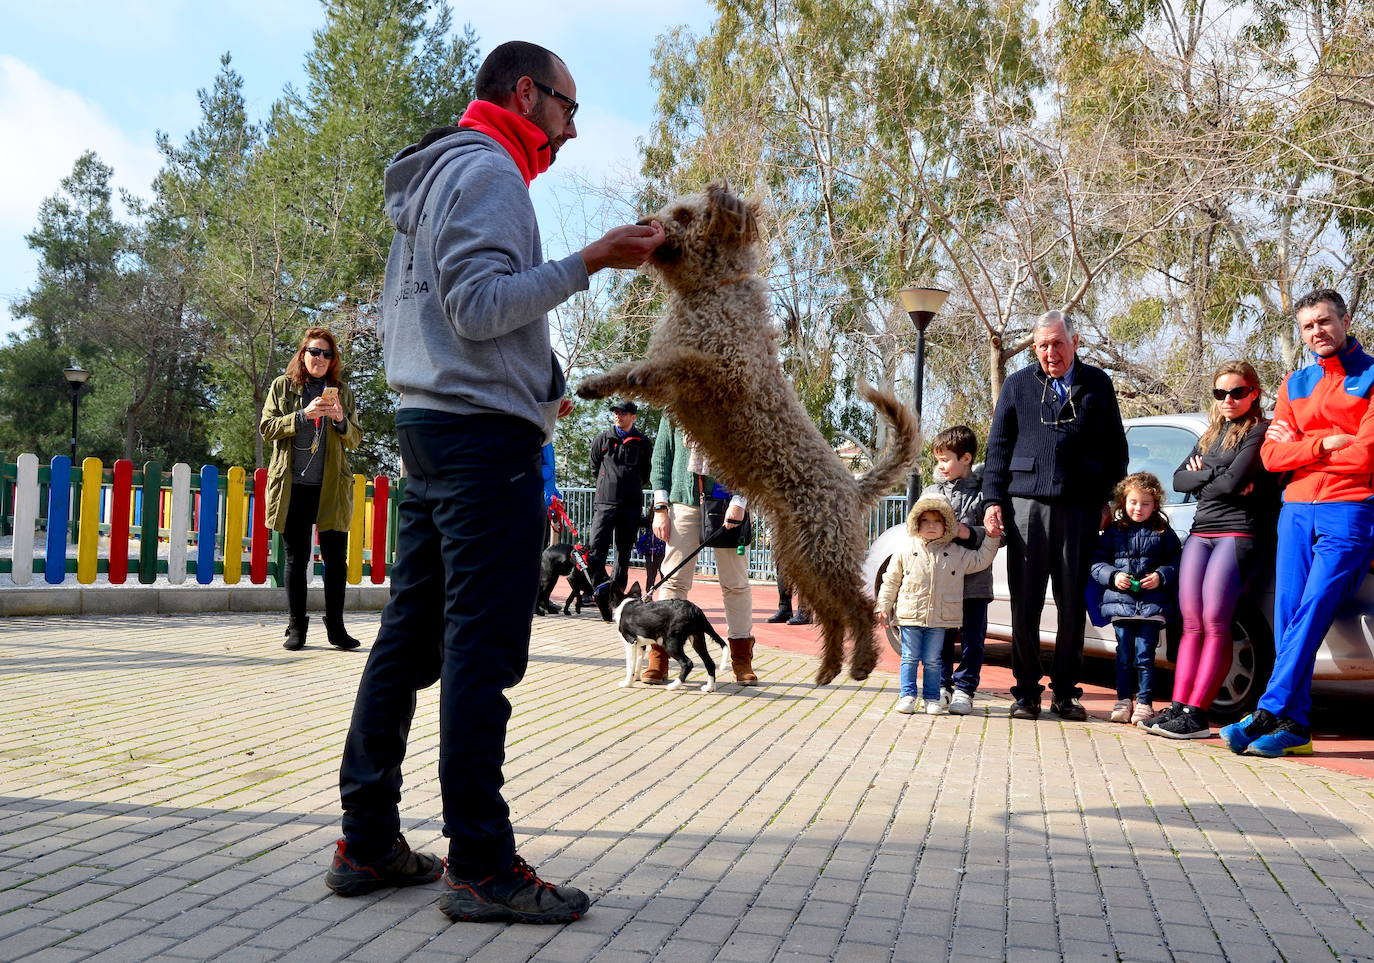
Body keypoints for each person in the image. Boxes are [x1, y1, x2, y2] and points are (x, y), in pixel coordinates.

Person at [326, 41, 664, 923]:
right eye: (567, 108)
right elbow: (478, 307)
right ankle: (480, 862)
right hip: (482, 443)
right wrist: (591, 259)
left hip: (432, 427)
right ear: (525, 93)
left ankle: (366, 840)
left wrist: (538, 380)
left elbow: (448, 315)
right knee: (481, 649)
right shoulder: (489, 172)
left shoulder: (439, 172)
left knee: (410, 638)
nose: (572, 130)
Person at [1222, 289, 1374, 758]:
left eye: (1325, 321)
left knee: (1314, 608)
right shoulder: (1295, 382)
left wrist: (1303, 450)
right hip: (1295, 510)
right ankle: (1296, 726)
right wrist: (1325, 444)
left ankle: (1269, 708)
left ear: (1346, 320)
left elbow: (1366, 454)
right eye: (1308, 326)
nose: (1317, 331)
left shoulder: (1371, 377)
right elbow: (1272, 456)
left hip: (1350, 508)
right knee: (1288, 615)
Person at [982, 310, 1128, 721]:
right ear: (1035, 348)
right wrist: (992, 501)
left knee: (1071, 604)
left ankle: (1066, 692)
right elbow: (998, 448)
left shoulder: (1097, 383)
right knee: (1025, 604)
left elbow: (1115, 449)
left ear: (1074, 342)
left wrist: (1108, 499)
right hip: (1026, 506)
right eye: (1043, 345)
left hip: (1080, 508)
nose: (1051, 353)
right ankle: (1026, 692)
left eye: (1058, 344)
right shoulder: (1017, 384)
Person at [1143, 361, 1275, 739]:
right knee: (1191, 623)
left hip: (1238, 532)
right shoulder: (1211, 435)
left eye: (1237, 392)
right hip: (1201, 532)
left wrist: (1206, 477)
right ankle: (1178, 707)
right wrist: (1217, 476)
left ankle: (1197, 715)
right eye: (1220, 393)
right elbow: (1178, 479)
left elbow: (1231, 485)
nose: (1228, 400)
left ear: (1254, 393)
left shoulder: (1260, 431)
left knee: (1216, 620)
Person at [259, 327, 363, 652]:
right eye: (314, 351)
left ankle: (337, 629)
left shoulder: (342, 392)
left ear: (333, 360)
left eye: (327, 353)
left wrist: (341, 420)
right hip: (294, 486)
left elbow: (355, 438)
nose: (320, 358)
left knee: (336, 560)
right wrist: (302, 415)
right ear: (303, 354)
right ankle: (296, 627)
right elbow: (266, 428)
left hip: (331, 487)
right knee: (296, 558)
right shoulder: (283, 386)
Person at [650, 416, 758, 685]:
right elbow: (661, 458)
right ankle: (660, 656)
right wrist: (660, 508)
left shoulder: (739, 405)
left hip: (727, 504)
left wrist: (740, 500)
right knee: (673, 581)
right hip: (684, 503)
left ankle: (741, 658)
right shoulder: (674, 406)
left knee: (735, 584)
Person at [876, 495, 1000, 716]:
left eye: (937, 521)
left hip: (940, 619)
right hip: (910, 615)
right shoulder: (905, 550)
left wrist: (992, 537)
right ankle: (907, 695)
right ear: (916, 523)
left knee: (933, 661)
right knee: (909, 658)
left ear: (947, 525)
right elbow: (891, 579)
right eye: (925, 520)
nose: (931, 526)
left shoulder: (956, 552)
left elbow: (981, 559)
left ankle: (932, 698)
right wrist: (884, 605)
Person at [1090, 472, 1181, 725]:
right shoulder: (1114, 531)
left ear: (1155, 505)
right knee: (1123, 656)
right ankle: (1123, 700)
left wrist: (1161, 576)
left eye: (1145, 503)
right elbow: (1097, 563)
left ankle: (1144, 703)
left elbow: (1177, 561)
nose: (1138, 508)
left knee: (1145, 655)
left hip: (1152, 606)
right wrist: (1113, 576)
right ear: (1123, 502)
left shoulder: (1163, 532)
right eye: (1133, 502)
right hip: (1121, 605)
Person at [921, 425, 991, 715]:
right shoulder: (931, 493)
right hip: (941, 583)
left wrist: (966, 532)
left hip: (975, 582)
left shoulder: (985, 494)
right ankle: (941, 686)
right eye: (938, 460)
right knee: (941, 639)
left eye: (945, 459)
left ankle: (965, 689)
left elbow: (997, 535)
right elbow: (917, 529)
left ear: (966, 458)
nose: (940, 466)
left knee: (973, 640)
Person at [587, 400, 651, 590]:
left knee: (624, 550)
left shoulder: (643, 442)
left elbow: (646, 472)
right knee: (597, 546)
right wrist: (607, 483)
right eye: (616, 412)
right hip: (605, 502)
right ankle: (595, 589)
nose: (618, 416)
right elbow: (594, 466)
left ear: (633, 417)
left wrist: (630, 485)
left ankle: (617, 590)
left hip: (630, 504)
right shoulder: (603, 439)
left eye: (623, 413)